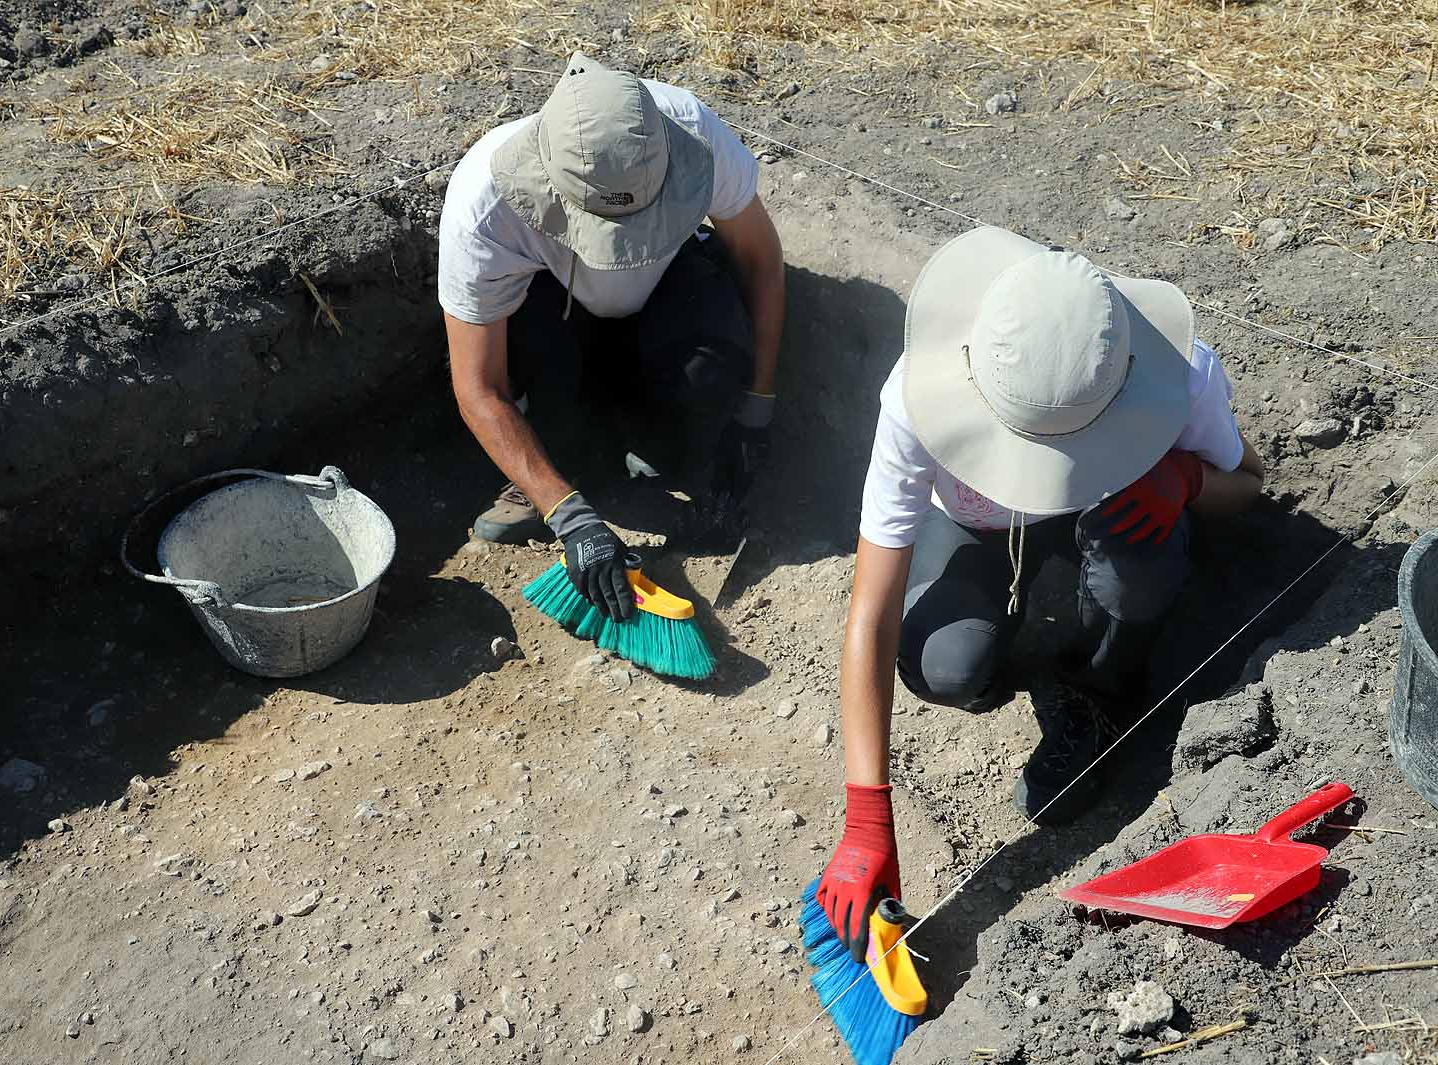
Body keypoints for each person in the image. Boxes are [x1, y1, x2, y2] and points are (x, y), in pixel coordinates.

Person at [815, 226, 1265, 959]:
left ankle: (1098, 695)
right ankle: (1031, 662)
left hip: (1107, 526)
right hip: (974, 532)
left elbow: (1251, 483)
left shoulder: (1176, 375)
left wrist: (1183, 480)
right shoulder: (917, 397)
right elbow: (872, 609)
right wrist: (867, 814)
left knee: (1135, 567)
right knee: (945, 660)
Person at [440, 52, 785, 621]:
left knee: (711, 377)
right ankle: (556, 473)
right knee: (553, 424)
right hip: (554, 312)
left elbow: (759, 259)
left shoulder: (694, 134)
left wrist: (759, 406)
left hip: (665, 290)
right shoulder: (486, 206)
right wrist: (568, 515)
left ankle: (649, 445)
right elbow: (479, 386)